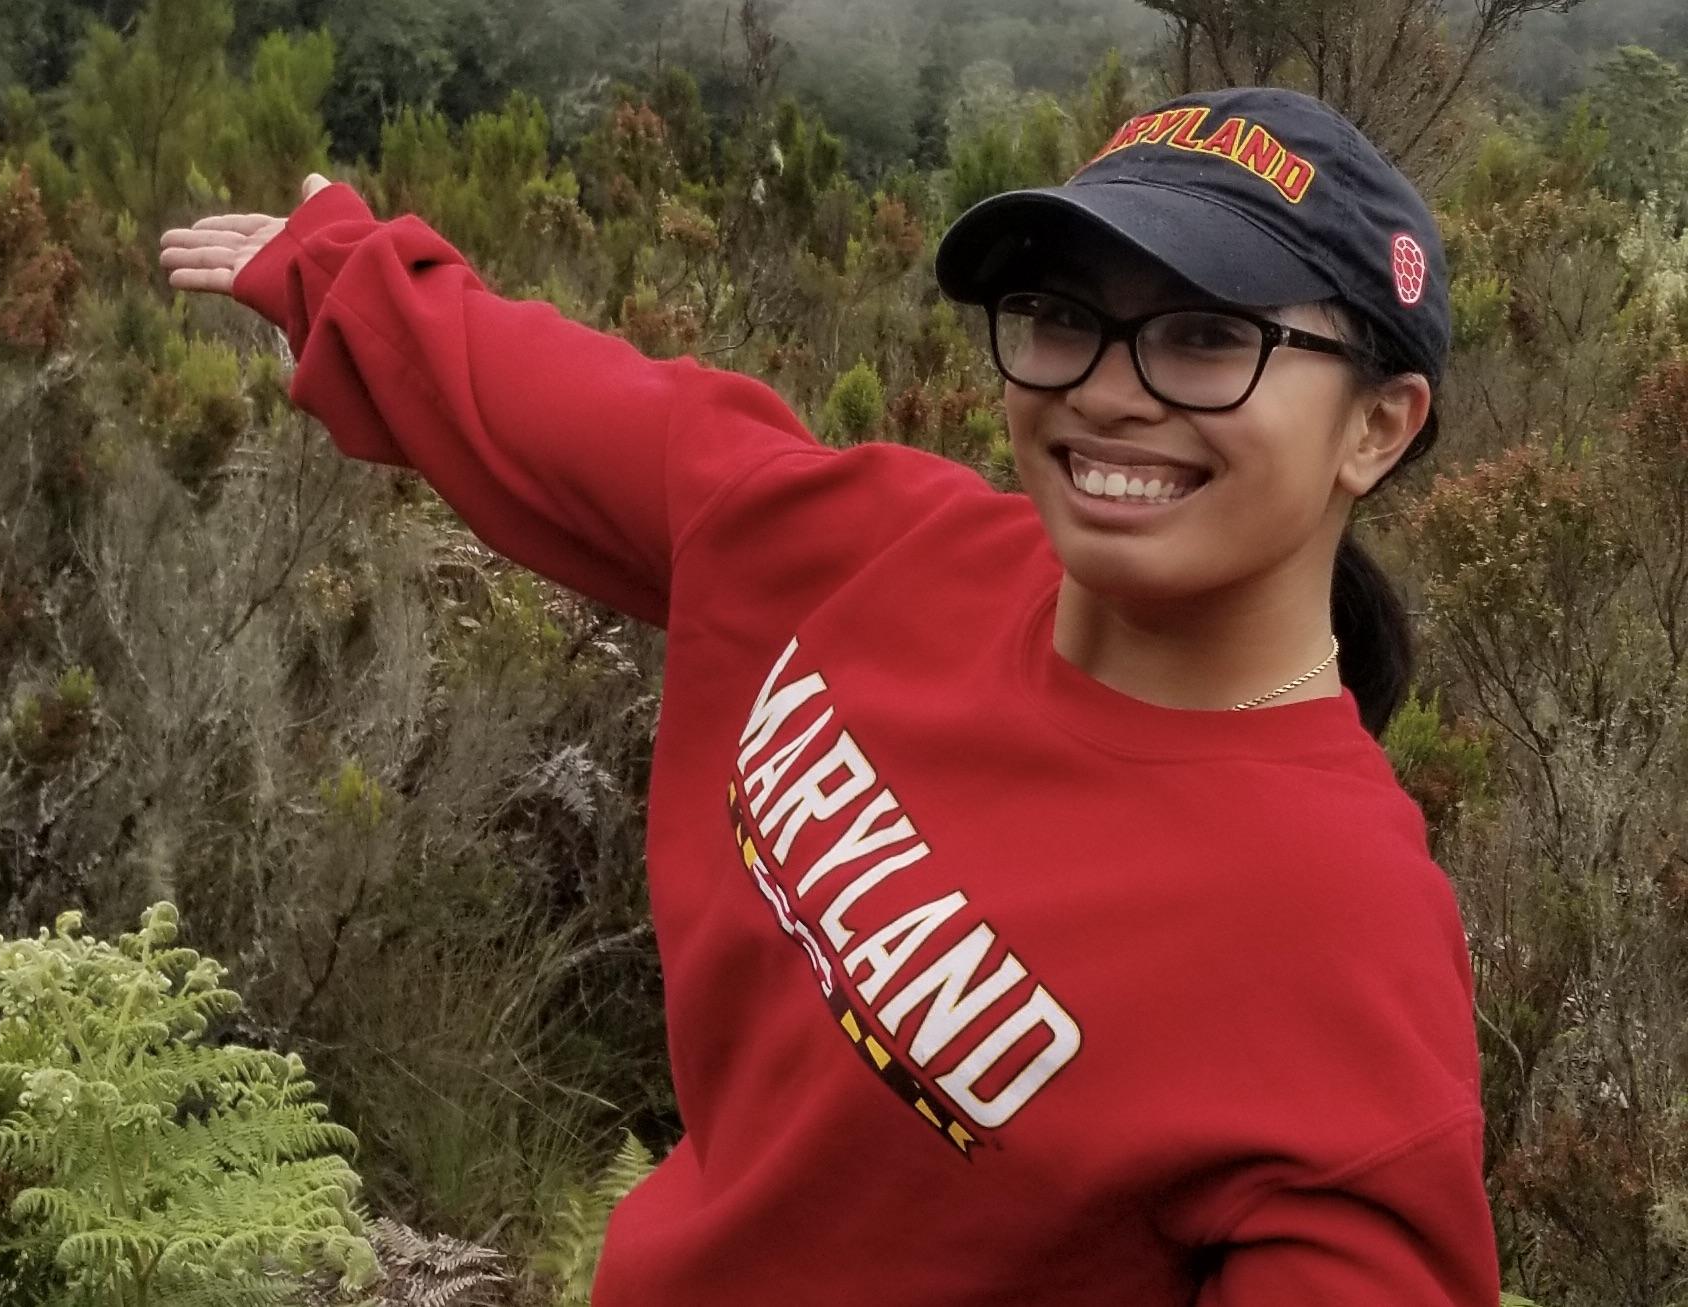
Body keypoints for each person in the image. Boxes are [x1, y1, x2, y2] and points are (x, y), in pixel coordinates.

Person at [162, 85, 1498, 1306]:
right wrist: (339, 277)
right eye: (1065, 318)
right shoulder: (895, 551)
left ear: (1376, 426)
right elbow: (587, 417)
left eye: (1208, 338)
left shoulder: (1340, 938)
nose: (1105, 389)